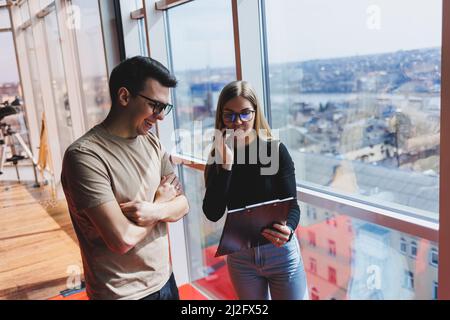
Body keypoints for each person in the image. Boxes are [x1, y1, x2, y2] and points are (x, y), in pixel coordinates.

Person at [61, 56, 189, 300]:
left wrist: (151, 210)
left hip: (165, 280)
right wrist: (163, 204)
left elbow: (183, 205)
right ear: (124, 97)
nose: (161, 116)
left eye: (164, 108)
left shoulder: (152, 142)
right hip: (122, 294)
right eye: (155, 106)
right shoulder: (85, 156)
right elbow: (122, 239)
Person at [202, 81, 308, 300]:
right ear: (221, 116)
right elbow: (213, 212)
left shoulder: (275, 150)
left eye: (245, 114)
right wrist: (226, 165)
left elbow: (293, 206)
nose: (237, 122)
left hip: (279, 251)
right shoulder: (219, 155)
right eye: (229, 115)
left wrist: (288, 229)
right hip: (241, 258)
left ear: (255, 113)